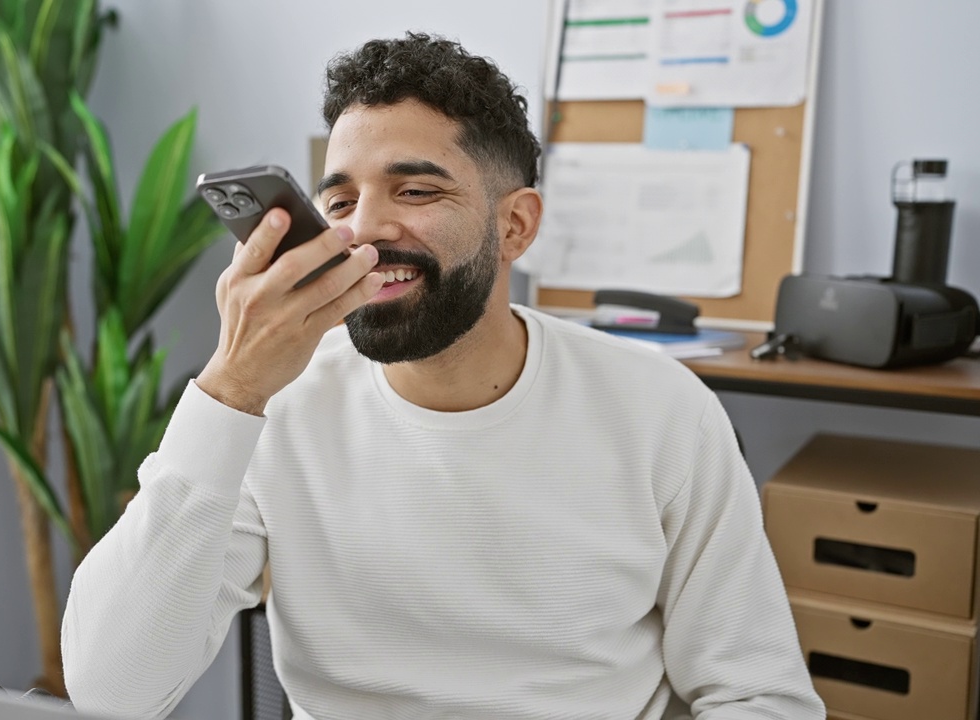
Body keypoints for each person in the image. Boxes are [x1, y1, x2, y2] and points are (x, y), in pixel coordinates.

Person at [62, 32, 824, 720]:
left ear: (516, 225)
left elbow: (759, 696)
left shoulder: (661, 410)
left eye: (416, 190)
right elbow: (111, 692)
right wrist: (229, 390)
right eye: (339, 201)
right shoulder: (276, 406)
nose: (363, 229)